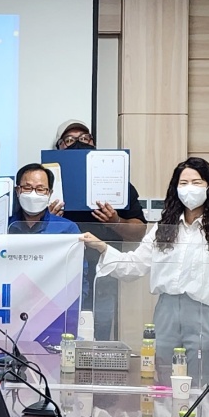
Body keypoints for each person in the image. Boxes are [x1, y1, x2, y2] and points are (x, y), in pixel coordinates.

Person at [81, 157, 209, 385]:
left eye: (196, 183)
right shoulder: (163, 229)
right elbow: (135, 265)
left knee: (200, 380)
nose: (189, 188)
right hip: (166, 311)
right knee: (163, 379)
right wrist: (103, 247)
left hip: (204, 313)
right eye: (183, 183)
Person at [51, 119, 149, 341]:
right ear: (59, 147)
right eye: (69, 140)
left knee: (99, 337)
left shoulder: (116, 183)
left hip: (102, 277)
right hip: (59, 277)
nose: (78, 144)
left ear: (94, 144)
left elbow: (139, 232)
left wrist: (115, 221)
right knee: (57, 336)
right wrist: (48, 218)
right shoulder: (47, 185)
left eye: (84, 139)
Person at [7, 163, 79, 234]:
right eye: (27, 188)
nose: (33, 194)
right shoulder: (5, 226)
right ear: (17, 191)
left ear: (49, 193)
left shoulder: (67, 228)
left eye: (40, 189)